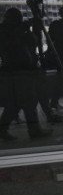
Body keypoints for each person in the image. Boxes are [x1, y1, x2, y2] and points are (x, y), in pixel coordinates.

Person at [0, 8, 51, 141]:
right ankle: (33, 130)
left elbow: (32, 43)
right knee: (27, 100)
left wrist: (29, 30)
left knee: (16, 103)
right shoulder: (5, 31)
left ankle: (4, 129)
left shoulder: (13, 30)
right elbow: (10, 47)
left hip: (22, 70)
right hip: (16, 70)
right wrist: (21, 31)